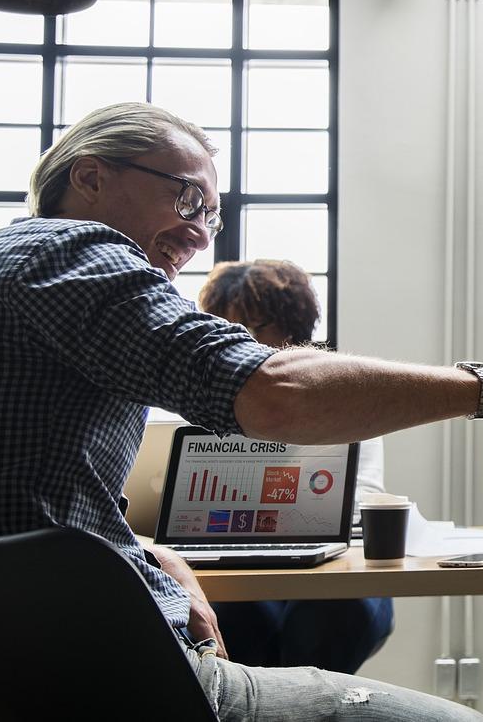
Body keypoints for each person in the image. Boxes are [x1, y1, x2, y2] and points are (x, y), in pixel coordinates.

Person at [0, 101, 483, 722]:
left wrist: (146, 548)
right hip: (95, 674)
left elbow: (16, 494)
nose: (203, 233)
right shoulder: (76, 252)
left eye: (211, 214)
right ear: (91, 179)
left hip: (6, 665)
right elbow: (275, 393)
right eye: (186, 200)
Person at [197, 259, 395, 674]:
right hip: (245, 570)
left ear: (291, 327)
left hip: (335, 569)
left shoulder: (344, 395)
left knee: (325, 618)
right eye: (222, 327)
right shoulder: (203, 407)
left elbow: (362, 499)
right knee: (229, 618)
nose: (236, 340)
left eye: (252, 326)